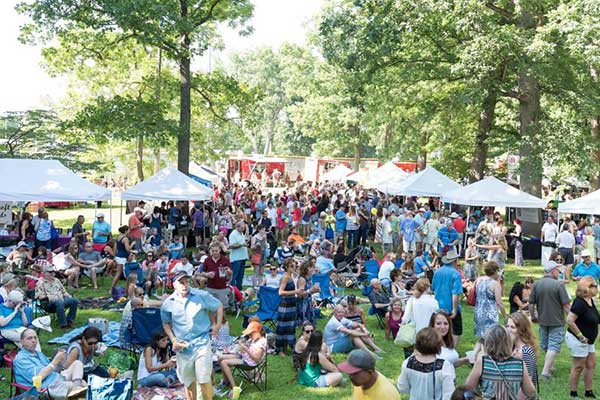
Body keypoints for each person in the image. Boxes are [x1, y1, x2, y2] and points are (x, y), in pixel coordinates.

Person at [161, 270, 223, 400]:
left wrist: (217, 325)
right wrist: (173, 340)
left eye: (186, 282)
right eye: (181, 283)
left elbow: (218, 305)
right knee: (188, 382)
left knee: (204, 378)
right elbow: (166, 324)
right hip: (183, 347)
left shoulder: (201, 295)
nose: (184, 285)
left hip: (202, 343)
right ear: (174, 285)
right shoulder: (168, 303)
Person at [465, 324, 536, 400]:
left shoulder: (482, 362)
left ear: (488, 342)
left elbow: (468, 388)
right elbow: (530, 392)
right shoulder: (520, 365)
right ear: (508, 342)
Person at [528, 260, 571, 380]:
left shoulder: (536, 284)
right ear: (553, 271)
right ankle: (545, 372)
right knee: (553, 345)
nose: (559, 272)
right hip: (557, 321)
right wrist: (574, 317)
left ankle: (550, 365)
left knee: (546, 344)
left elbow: (531, 303)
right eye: (558, 270)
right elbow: (566, 305)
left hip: (542, 320)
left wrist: (533, 316)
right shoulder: (559, 285)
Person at [14, 329, 86, 394]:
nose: (33, 340)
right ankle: (77, 390)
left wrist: (60, 362)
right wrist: (55, 361)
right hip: (46, 388)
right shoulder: (21, 359)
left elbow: (53, 369)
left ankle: (76, 390)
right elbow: (37, 378)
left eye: (35, 337)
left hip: (56, 378)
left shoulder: (38, 353)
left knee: (78, 364)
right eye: (29, 338)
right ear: (22, 342)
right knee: (83, 386)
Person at [397, 327, 455, 399]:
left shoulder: (408, 363)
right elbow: (449, 394)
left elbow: (402, 387)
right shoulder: (444, 366)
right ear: (438, 345)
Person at [565, 276, 599, 398]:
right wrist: (580, 336)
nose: (597, 288)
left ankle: (588, 391)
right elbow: (569, 320)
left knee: (591, 364)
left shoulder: (591, 301)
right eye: (595, 286)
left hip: (589, 341)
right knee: (578, 366)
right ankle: (573, 393)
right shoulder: (580, 302)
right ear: (587, 288)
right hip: (578, 339)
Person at [215, 320, 267, 397]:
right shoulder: (253, 339)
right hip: (244, 357)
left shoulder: (262, 342)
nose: (249, 335)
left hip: (249, 363)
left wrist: (245, 349)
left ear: (256, 332)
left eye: (250, 334)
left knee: (224, 362)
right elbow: (248, 349)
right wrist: (242, 347)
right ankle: (226, 381)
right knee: (220, 358)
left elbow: (256, 359)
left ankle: (234, 388)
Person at [431, 250, 463, 347]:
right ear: (455, 261)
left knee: (439, 328)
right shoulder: (456, 274)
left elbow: (433, 287)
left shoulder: (437, 272)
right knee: (456, 330)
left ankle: (439, 348)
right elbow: (455, 293)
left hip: (438, 306)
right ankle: (451, 350)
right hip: (449, 306)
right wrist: (454, 308)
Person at [473, 261, 507, 350]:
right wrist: (505, 316)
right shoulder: (495, 284)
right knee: (491, 338)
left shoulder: (479, 280)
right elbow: (499, 302)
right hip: (490, 314)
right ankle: (485, 357)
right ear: (495, 271)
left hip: (478, 312)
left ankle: (474, 357)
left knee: (481, 338)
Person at [35, 264, 79, 329]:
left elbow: (63, 292)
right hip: (48, 304)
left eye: (53, 272)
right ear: (44, 273)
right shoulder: (40, 282)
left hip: (61, 300)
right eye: (50, 272)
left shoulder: (56, 280)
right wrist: (50, 296)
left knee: (74, 300)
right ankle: (63, 325)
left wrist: (69, 296)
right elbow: (39, 296)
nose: (52, 274)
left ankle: (69, 320)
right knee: (59, 302)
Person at [506, 312, 538, 398]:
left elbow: (527, 385)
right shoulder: (511, 347)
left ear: (521, 330)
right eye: (507, 326)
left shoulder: (526, 351)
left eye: (512, 327)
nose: (508, 330)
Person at [276, 258, 299, 355]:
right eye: (292, 266)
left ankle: (288, 346)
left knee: (290, 326)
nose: (294, 268)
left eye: (295, 266)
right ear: (286, 267)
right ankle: (281, 349)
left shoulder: (292, 276)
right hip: (285, 304)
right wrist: (295, 292)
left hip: (291, 303)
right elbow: (280, 292)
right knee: (283, 326)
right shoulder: (285, 277)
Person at [229, 221, 248, 290]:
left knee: (241, 275)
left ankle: (239, 288)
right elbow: (232, 245)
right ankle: (233, 289)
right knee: (234, 275)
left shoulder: (241, 233)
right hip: (236, 258)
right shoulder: (233, 234)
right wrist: (241, 245)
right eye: (242, 228)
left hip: (242, 257)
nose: (243, 229)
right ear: (237, 227)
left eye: (244, 228)